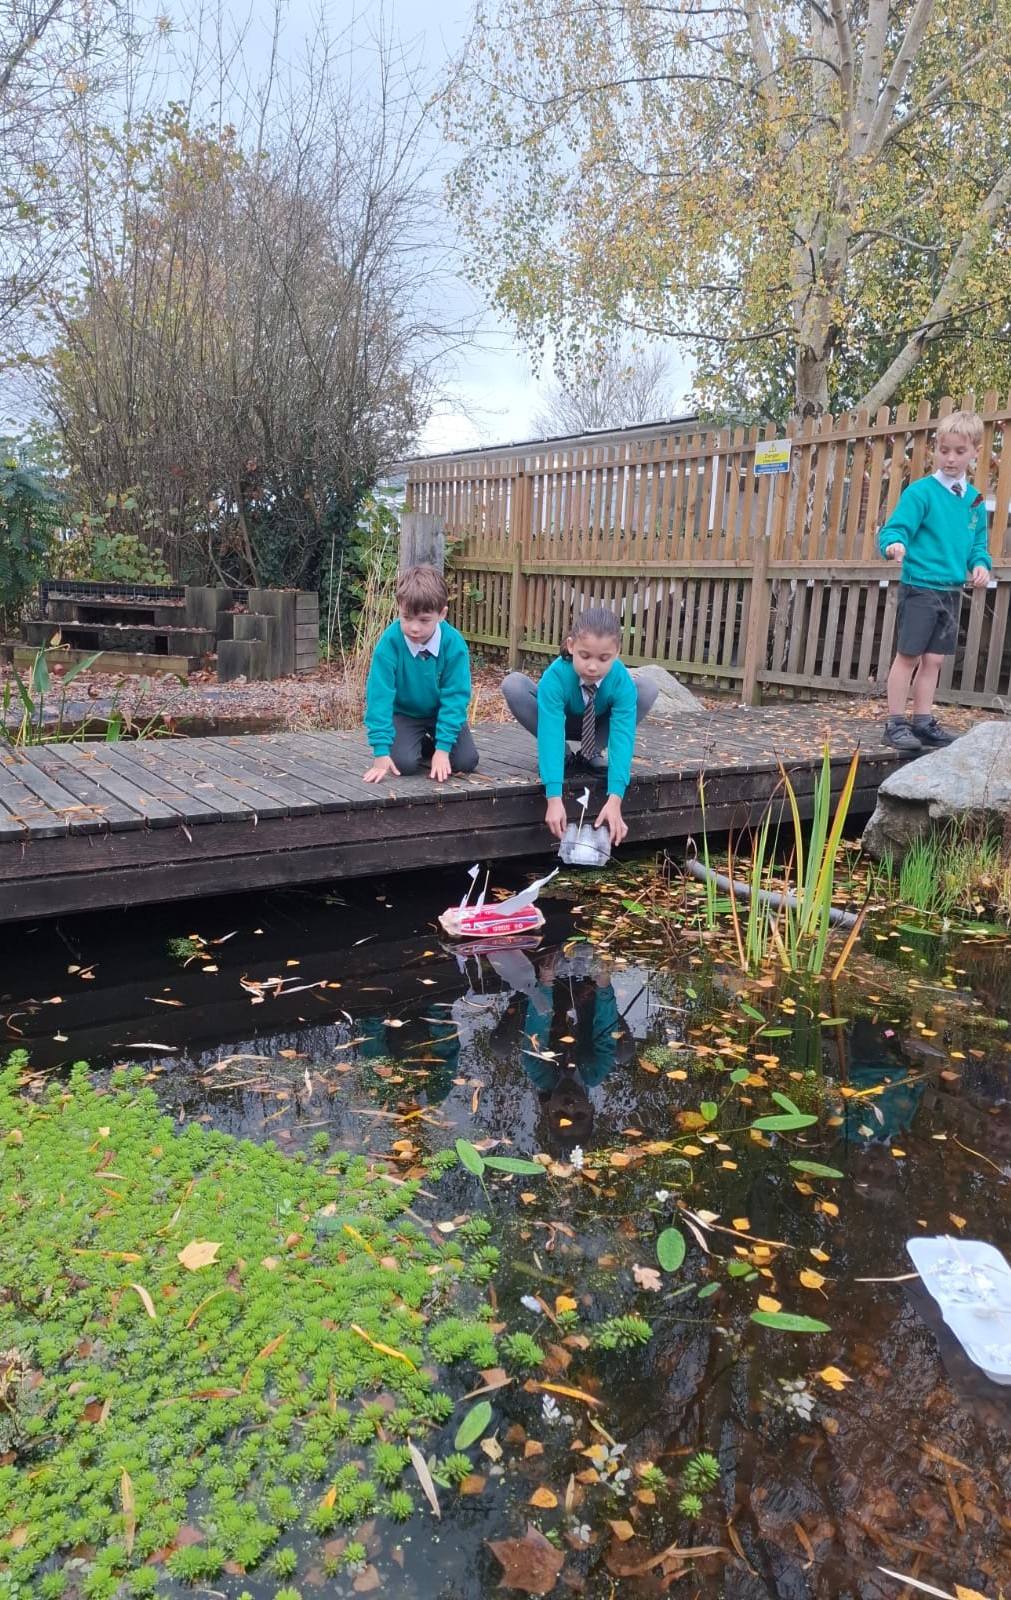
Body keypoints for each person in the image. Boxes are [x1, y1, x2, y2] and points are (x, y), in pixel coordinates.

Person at [878, 411, 991, 752]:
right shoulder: (921, 493)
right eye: (944, 450)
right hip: (921, 586)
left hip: (951, 590)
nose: (951, 458)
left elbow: (977, 546)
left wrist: (981, 566)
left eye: (959, 451)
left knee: (935, 660)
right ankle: (895, 723)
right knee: (909, 656)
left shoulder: (973, 501)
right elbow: (895, 528)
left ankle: (923, 721)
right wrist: (893, 544)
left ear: (976, 452)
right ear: (935, 450)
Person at [501, 606, 657, 844]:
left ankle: (590, 751)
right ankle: (567, 755)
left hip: (596, 727)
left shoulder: (620, 678)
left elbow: (622, 736)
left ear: (616, 652)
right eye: (585, 656)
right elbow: (551, 731)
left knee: (647, 689)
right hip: (557, 722)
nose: (592, 667)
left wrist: (615, 798)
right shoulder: (556, 675)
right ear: (572, 646)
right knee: (513, 684)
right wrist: (553, 797)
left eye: (604, 658)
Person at [362, 565, 479, 783]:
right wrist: (380, 751)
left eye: (424, 620)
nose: (414, 628)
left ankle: (435, 744)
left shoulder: (454, 645)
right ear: (399, 609)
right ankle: (418, 742)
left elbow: (455, 698)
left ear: (441, 614)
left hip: (440, 713)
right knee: (404, 764)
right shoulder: (389, 643)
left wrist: (443, 749)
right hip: (405, 714)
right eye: (407, 618)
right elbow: (379, 697)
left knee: (466, 761)